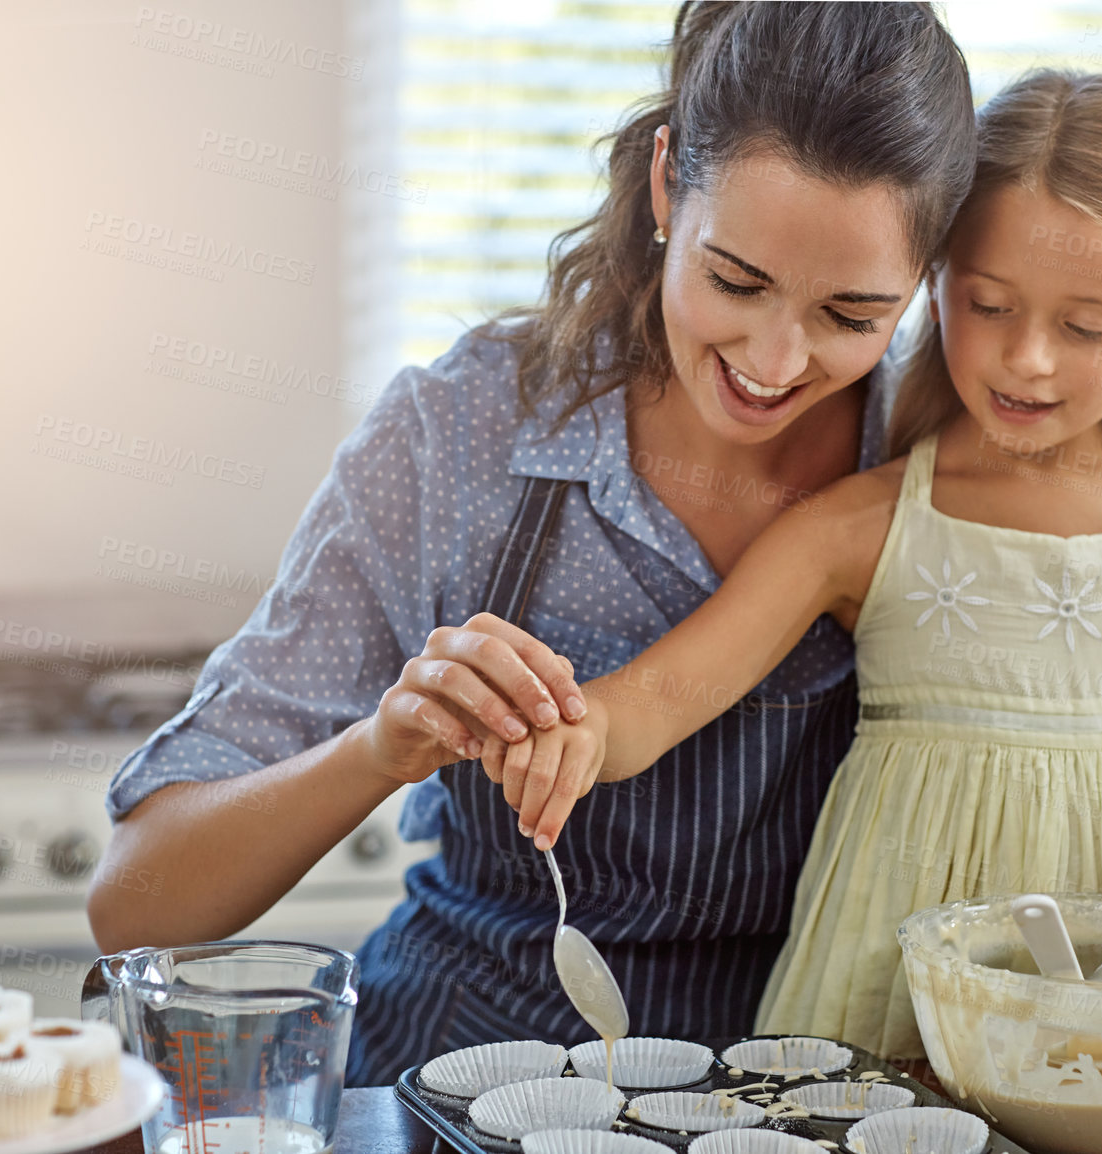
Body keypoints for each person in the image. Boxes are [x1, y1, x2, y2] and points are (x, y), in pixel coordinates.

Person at [87, 2, 980, 1086]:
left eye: (851, 314)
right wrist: (382, 746)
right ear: (664, 185)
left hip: (803, 1090)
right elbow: (136, 901)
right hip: (467, 1076)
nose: (774, 356)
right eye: (734, 280)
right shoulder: (458, 435)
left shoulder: (952, 460)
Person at [480, 70, 1102, 1059]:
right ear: (933, 287)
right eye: (989, 305)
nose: (1027, 357)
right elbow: (655, 701)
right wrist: (568, 726)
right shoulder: (856, 524)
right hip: (893, 1022)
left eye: (1082, 327)